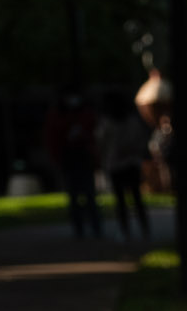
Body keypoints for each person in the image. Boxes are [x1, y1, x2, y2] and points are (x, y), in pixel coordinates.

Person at [43, 90, 101, 238]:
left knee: (89, 195)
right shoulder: (58, 116)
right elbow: (53, 140)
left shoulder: (85, 114)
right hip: (69, 159)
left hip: (84, 158)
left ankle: (95, 228)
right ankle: (79, 229)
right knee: (74, 196)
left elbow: (94, 136)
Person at [97, 91, 152, 240]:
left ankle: (129, 230)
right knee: (134, 199)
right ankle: (141, 229)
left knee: (124, 200)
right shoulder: (126, 121)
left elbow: (101, 144)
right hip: (127, 164)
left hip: (120, 165)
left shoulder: (109, 123)